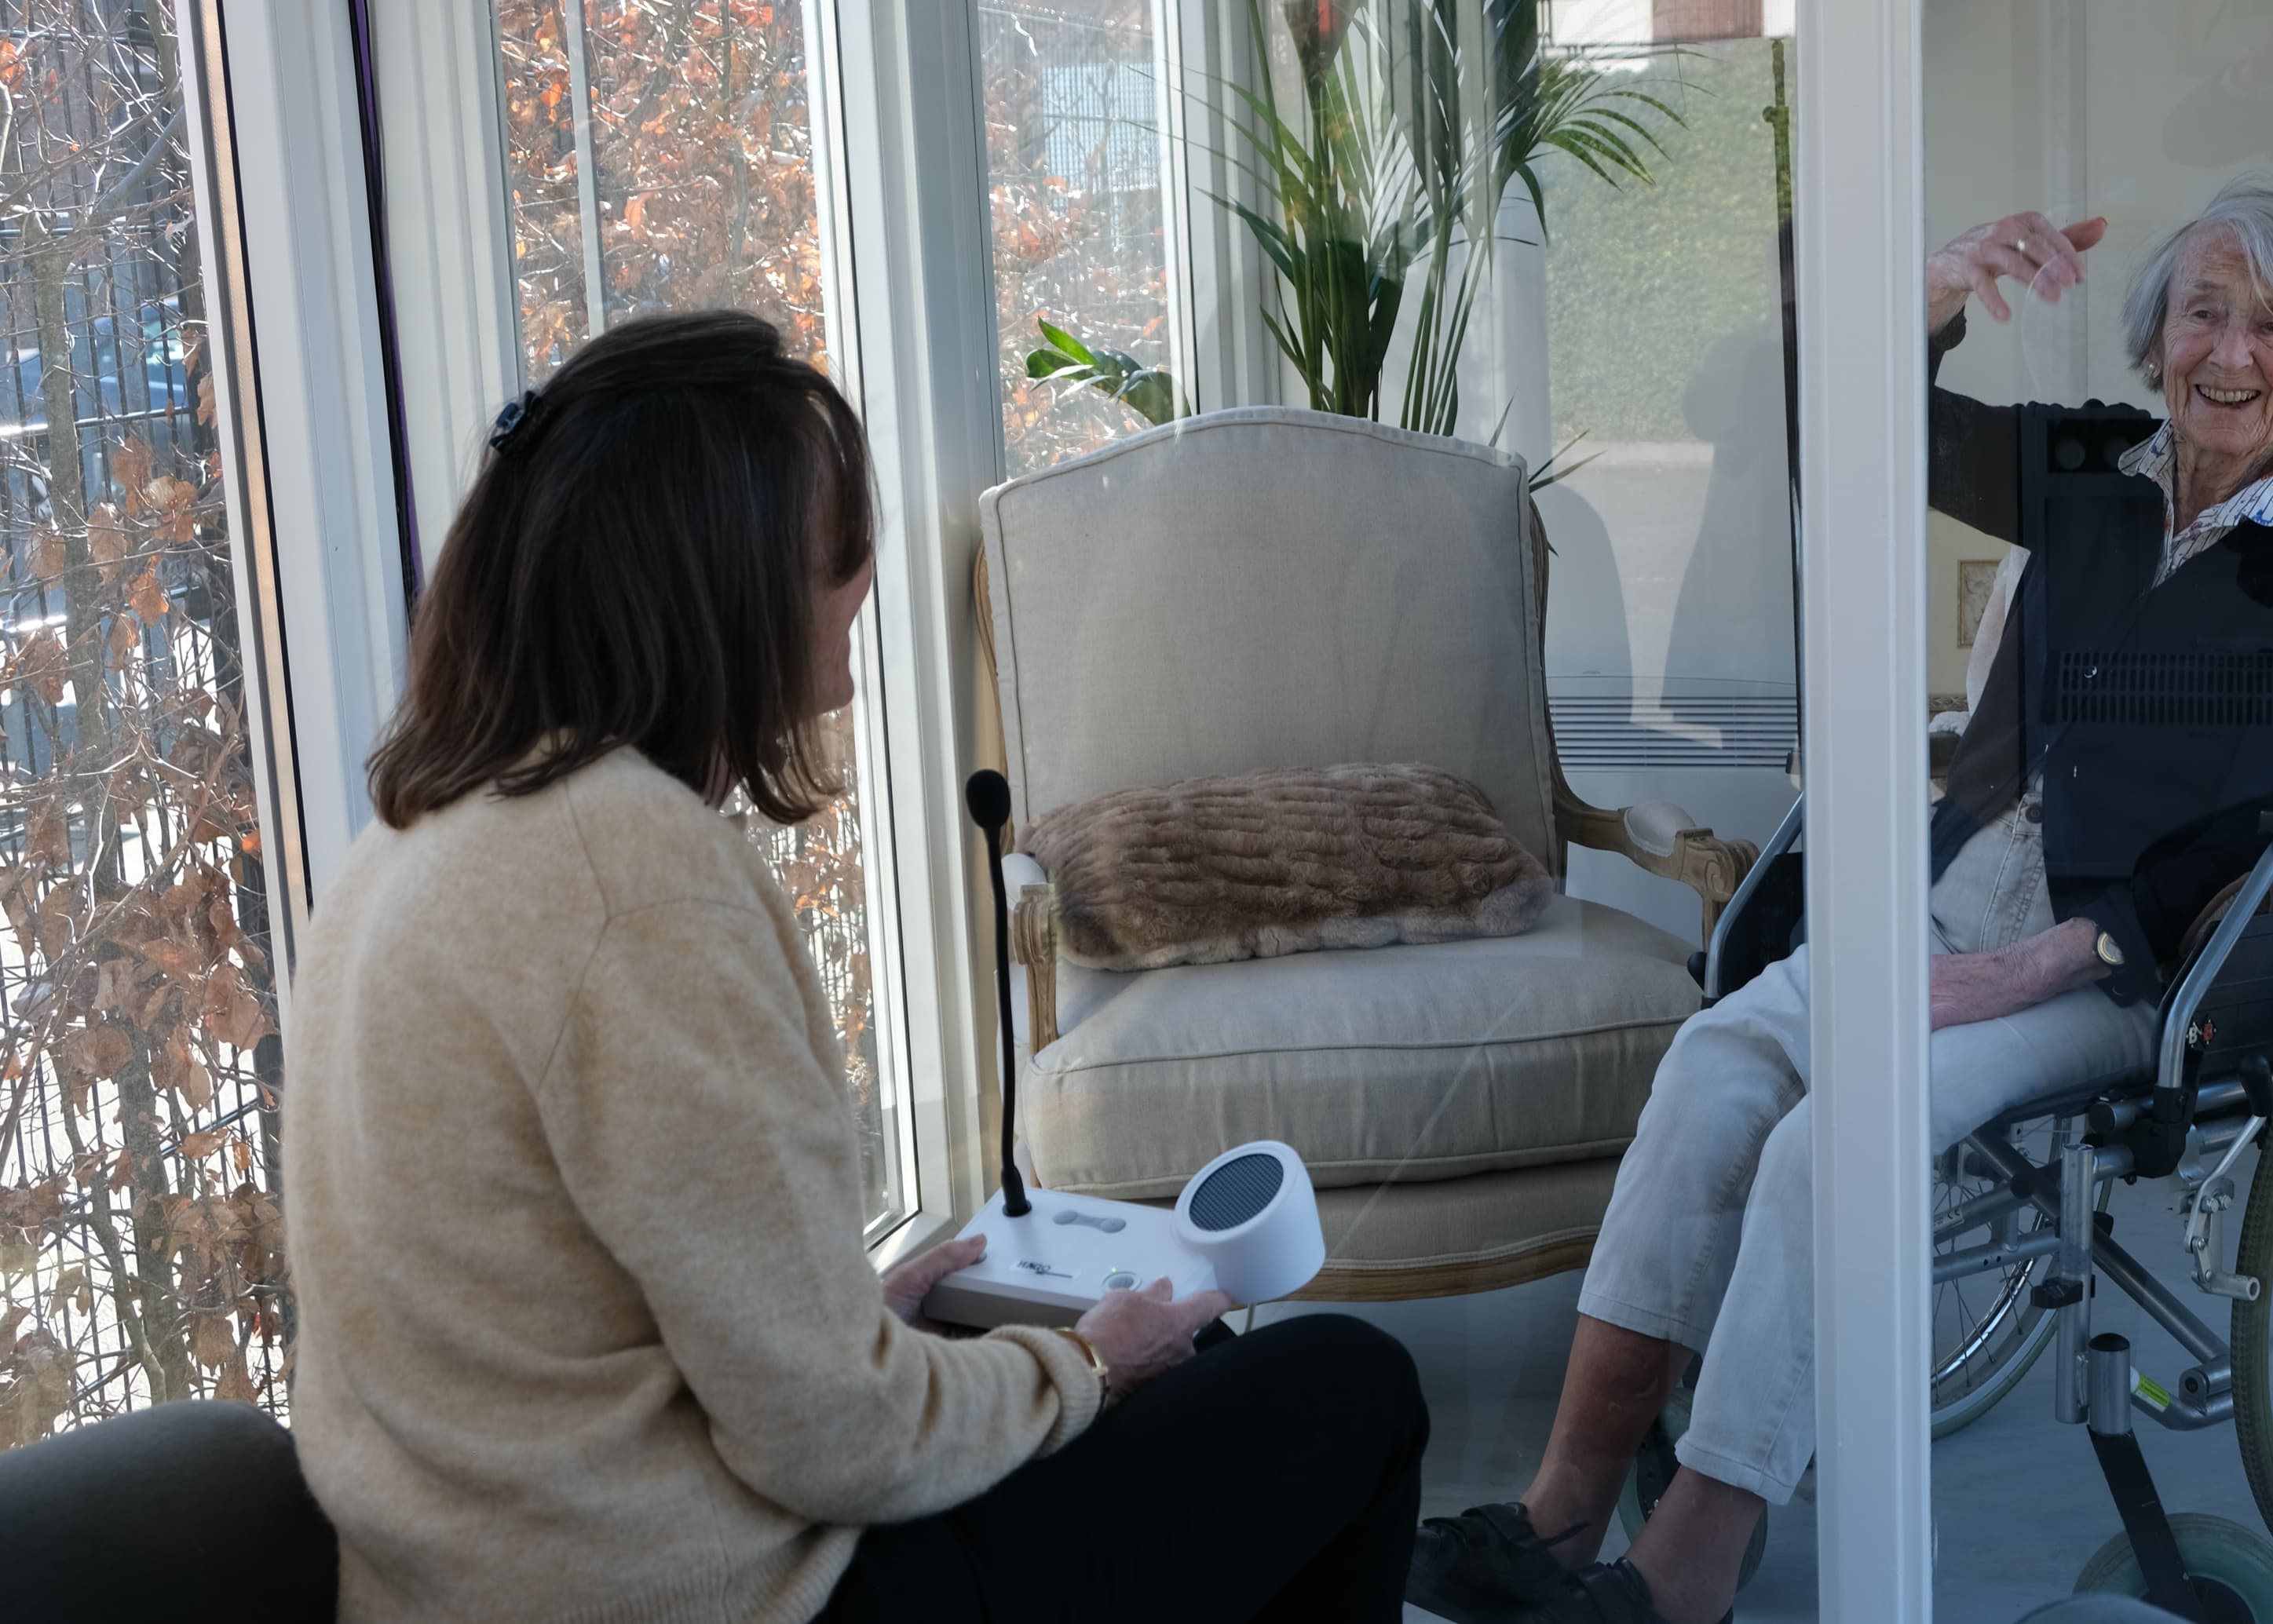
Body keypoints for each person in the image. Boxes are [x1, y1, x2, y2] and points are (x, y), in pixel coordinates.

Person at [283, 310, 1428, 1624]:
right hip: (710, 1598)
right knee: (1348, 1381)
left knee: (1140, 1365)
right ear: (728, 577)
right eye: (835, 544)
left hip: (481, 1579)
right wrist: (1080, 1366)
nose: (866, 578)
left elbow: (561, 1305)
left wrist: (853, 1312)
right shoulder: (633, 877)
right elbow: (836, 1441)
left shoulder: (409, 838)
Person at [1406, 183, 2273, 1624]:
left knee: (1837, 1139)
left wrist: (2026, 970)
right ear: (2156, 336)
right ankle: (1564, 1512)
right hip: (1956, 898)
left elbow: (2262, 828)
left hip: (2122, 973)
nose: (2233, 355)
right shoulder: (2098, 467)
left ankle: (1683, 1574)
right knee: (1713, 1061)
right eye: (2205, 311)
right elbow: (1871, 434)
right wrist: (1928, 295)